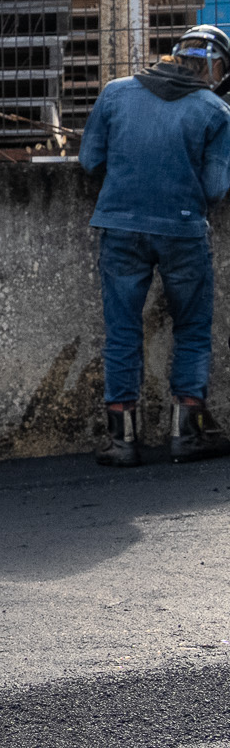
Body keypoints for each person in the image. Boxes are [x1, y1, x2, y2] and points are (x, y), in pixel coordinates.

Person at [80, 24, 230, 466]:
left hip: (120, 225)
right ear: (217, 68)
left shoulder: (116, 93)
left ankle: (122, 439)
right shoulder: (215, 110)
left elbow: (89, 160)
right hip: (182, 231)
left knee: (122, 329)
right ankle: (188, 434)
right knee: (192, 329)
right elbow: (216, 188)